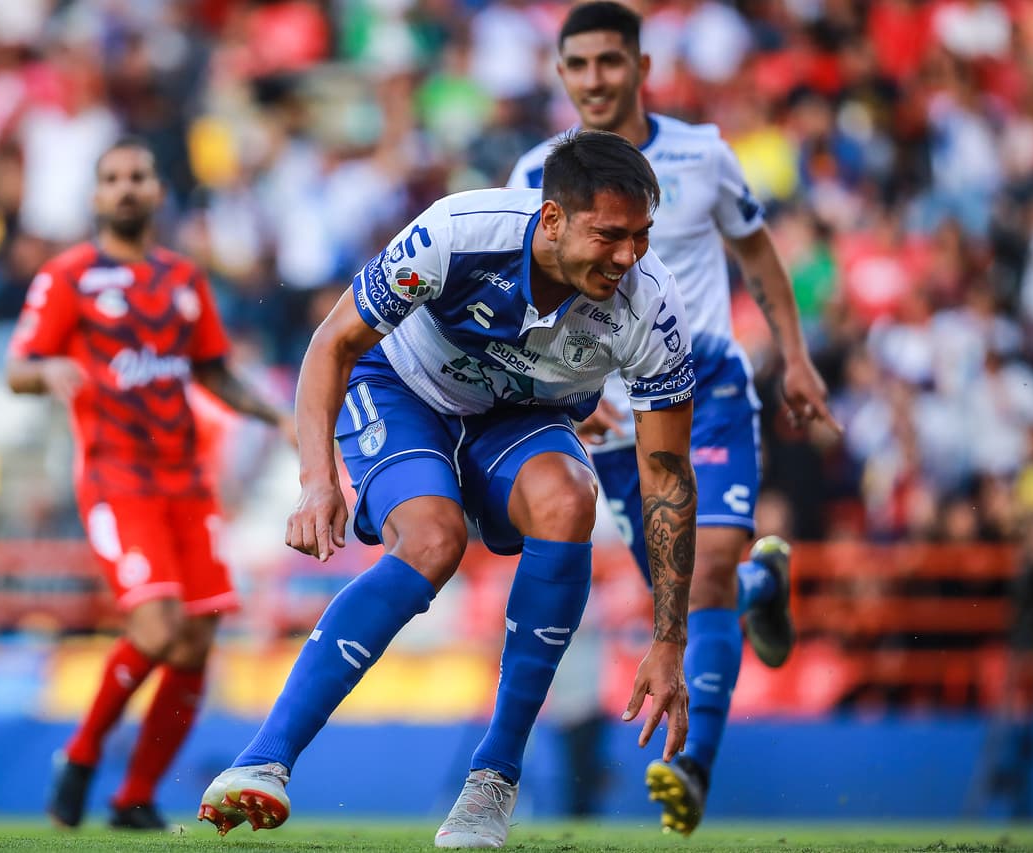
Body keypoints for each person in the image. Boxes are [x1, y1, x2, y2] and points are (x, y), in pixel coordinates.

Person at [198, 130, 698, 848]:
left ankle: (493, 780)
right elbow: (332, 343)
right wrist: (315, 481)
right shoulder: (456, 233)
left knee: (568, 500)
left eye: (642, 237)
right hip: (403, 392)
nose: (628, 257)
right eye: (610, 235)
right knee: (433, 538)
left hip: (524, 419)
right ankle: (263, 761)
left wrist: (669, 637)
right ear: (552, 219)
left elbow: (667, 474)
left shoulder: (651, 304)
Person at [507, 1, 841, 835]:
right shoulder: (533, 178)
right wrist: (554, 393)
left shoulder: (704, 154)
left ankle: (691, 767)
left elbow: (757, 251)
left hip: (712, 386)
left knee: (702, 580)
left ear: (642, 68)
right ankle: (763, 582)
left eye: (610, 62)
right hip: (615, 422)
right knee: (685, 595)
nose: (594, 80)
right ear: (560, 74)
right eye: (578, 65)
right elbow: (528, 300)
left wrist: (795, 357)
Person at [5, 137, 294, 830]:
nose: (127, 188)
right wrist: (46, 372)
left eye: (138, 176)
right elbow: (19, 366)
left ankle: (134, 797)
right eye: (113, 178)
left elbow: (214, 372)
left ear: (158, 191)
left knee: (197, 640)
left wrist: (276, 414)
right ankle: (79, 753)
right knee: (159, 625)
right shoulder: (68, 275)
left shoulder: (185, 281)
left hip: (185, 481)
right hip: (115, 477)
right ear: (97, 195)